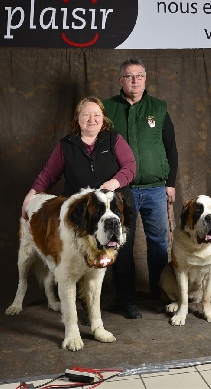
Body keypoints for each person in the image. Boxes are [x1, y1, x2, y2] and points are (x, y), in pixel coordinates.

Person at [21, 97, 137, 320]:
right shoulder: (66, 144)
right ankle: (85, 305)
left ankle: (127, 301)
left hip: (113, 207)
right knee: (79, 257)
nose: (91, 119)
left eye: (96, 115)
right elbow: (49, 174)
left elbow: (130, 167)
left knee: (121, 256)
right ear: (78, 119)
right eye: (86, 114)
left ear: (103, 119)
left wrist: (112, 184)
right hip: (82, 213)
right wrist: (31, 194)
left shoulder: (114, 139)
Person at [103, 57, 178, 319]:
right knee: (121, 244)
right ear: (120, 80)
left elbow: (170, 147)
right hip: (122, 190)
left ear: (145, 79)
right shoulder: (107, 109)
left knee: (158, 242)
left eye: (139, 76)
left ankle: (161, 293)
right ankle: (126, 299)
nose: (134, 81)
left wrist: (171, 184)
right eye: (129, 76)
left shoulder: (158, 108)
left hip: (156, 188)